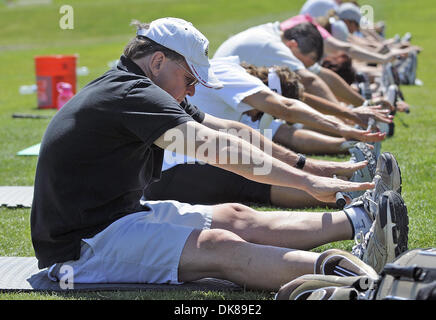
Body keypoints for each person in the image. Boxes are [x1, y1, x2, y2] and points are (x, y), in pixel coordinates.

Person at [31, 18, 409, 291]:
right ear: (158, 62)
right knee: (219, 247)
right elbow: (219, 150)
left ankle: (361, 220)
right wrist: (306, 181)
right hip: (83, 246)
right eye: (190, 79)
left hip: (116, 219)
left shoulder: (135, 90)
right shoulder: (132, 95)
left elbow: (228, 130)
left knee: (235, 217)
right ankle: (361, 282)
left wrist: (314, 168)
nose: (193, 92)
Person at [145, 56, 388, 208]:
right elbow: (286, 108)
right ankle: (358, 196)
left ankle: (351, 186)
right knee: (253, 175)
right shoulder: (230, 74)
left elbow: (265, 136)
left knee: (260, 165)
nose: (261, 118)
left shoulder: (245, 95)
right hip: (168, 171)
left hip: (172, 167)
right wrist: (349, 127)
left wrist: (320, 159)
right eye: (264, 114)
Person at [213, 21, 391, 125]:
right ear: (293, 45)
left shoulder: (275, 35)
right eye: (308, 59)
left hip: (235, 110)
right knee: (290, 124)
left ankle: (348, 130)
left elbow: (319, 74)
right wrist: (345, 120)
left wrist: (364, 104)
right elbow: (311, 82)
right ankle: (347, 135)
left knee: (297, 114)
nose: (305, 65)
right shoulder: (271, 45)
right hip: (226, 115)